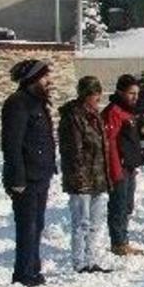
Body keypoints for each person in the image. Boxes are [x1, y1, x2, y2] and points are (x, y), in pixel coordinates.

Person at [2, 60, 56, 286]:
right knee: (27, 226)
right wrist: (17, 178)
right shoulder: (18, 103)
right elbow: (12, 144)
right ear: (32, 79)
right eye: (44, 77)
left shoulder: (37, 103)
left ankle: (33, 268)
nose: (48, 81)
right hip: (25, 178)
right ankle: (23, 274)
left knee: (37, 224)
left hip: (40, 174)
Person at [58, 76, 113, 274]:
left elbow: (102, 148)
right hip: (81, 179)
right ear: (85, 94)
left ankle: (91, 259)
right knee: (81, 222)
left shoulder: (95, 115)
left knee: (95, 223)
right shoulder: (73, 117)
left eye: (98, 92)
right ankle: (79, 262)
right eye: (94, 93)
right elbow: (74, 151)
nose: (98, 97)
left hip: (98, 177)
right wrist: (79, 179)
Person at [102, 74, 144, 256]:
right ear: (120, 92)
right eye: (131, 93)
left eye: (137, 93)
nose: (135, 97)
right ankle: (118, 242)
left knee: (127, 205)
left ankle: (123, 238)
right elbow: (110, 143)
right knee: (119, 206)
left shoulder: (128, 112)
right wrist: (115, 170)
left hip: (129, 166)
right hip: (118, 168)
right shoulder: (113, 112)